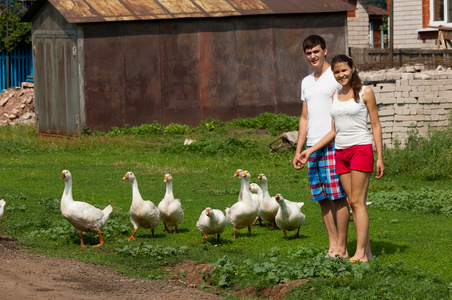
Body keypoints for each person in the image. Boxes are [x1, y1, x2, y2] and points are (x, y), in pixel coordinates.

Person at [298, 54, 385, 262]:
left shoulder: (365, 92)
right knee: (352, 202)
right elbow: (333, 131)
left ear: (352, 68)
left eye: (344, 70)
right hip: (340, 152)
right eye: (337, 72)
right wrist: (309, 150)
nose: (341, 75)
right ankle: (367, 252)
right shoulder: (335, 96)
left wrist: (380, 156)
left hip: (361, 149)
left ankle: (360, 254)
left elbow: (375, 125)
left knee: (358, 202)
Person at [292, 35, 350, 259]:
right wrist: (299, 150)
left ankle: (343, 248)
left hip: (332, 145)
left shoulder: (334, 77)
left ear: (325, 51)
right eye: (308, 53)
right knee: (322, 198)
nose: (312, 56)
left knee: (337, 196)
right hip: (310, 148)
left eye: (316, 51)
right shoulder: (306, 82)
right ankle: (333, 246)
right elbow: (304, 118)